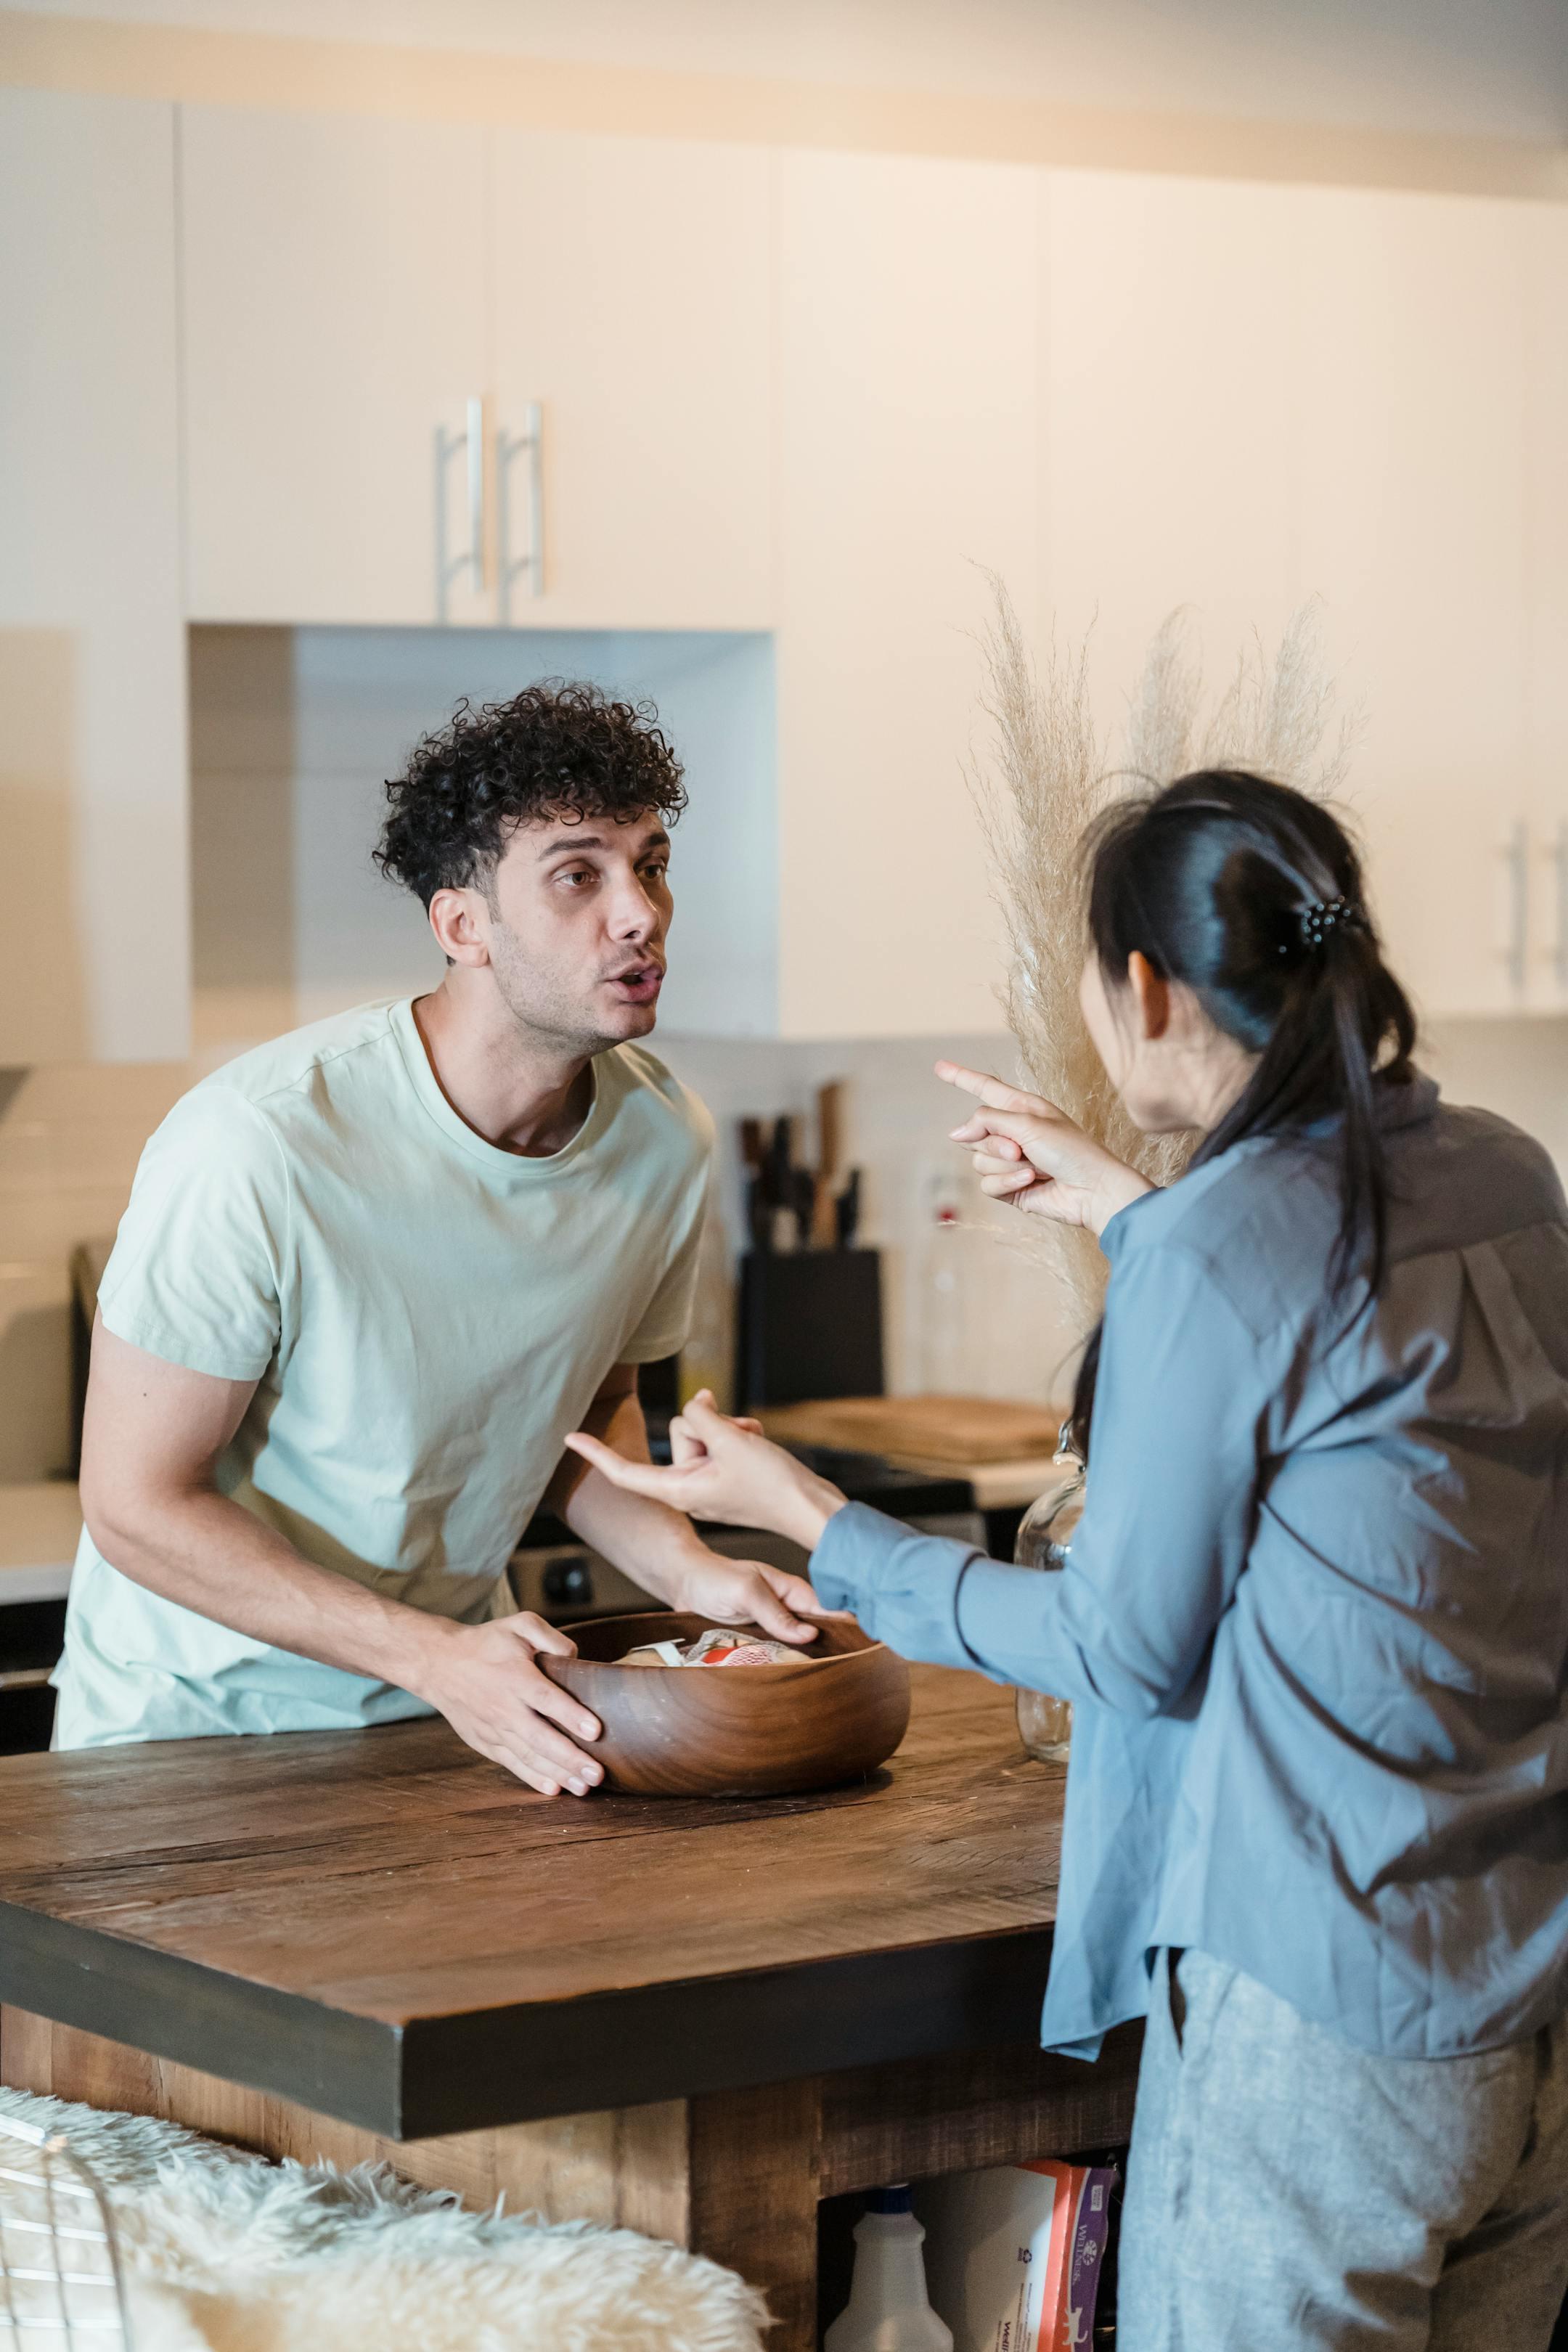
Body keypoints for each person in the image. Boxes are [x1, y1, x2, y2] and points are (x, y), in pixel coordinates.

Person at [569, 769, 1568, 2346]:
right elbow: (1332, 1349)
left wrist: (816, 1522)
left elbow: (1121, 1648)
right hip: (1517, 2005)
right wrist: (1131, 1210)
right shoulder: (1508, 1175)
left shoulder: (1227, 1249)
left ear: (1148, 988)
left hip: (1316, 2018)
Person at [58, 680, 818, 1792]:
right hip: (188, 1738)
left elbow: (578, 1417)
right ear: (462, 925)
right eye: (578, 875)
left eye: (650, 863)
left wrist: (695, 1573)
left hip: (456, 1717)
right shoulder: (259, 1144)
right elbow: (136, 1506)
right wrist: (432, 1658)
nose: (640, 913)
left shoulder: (664, 1139)